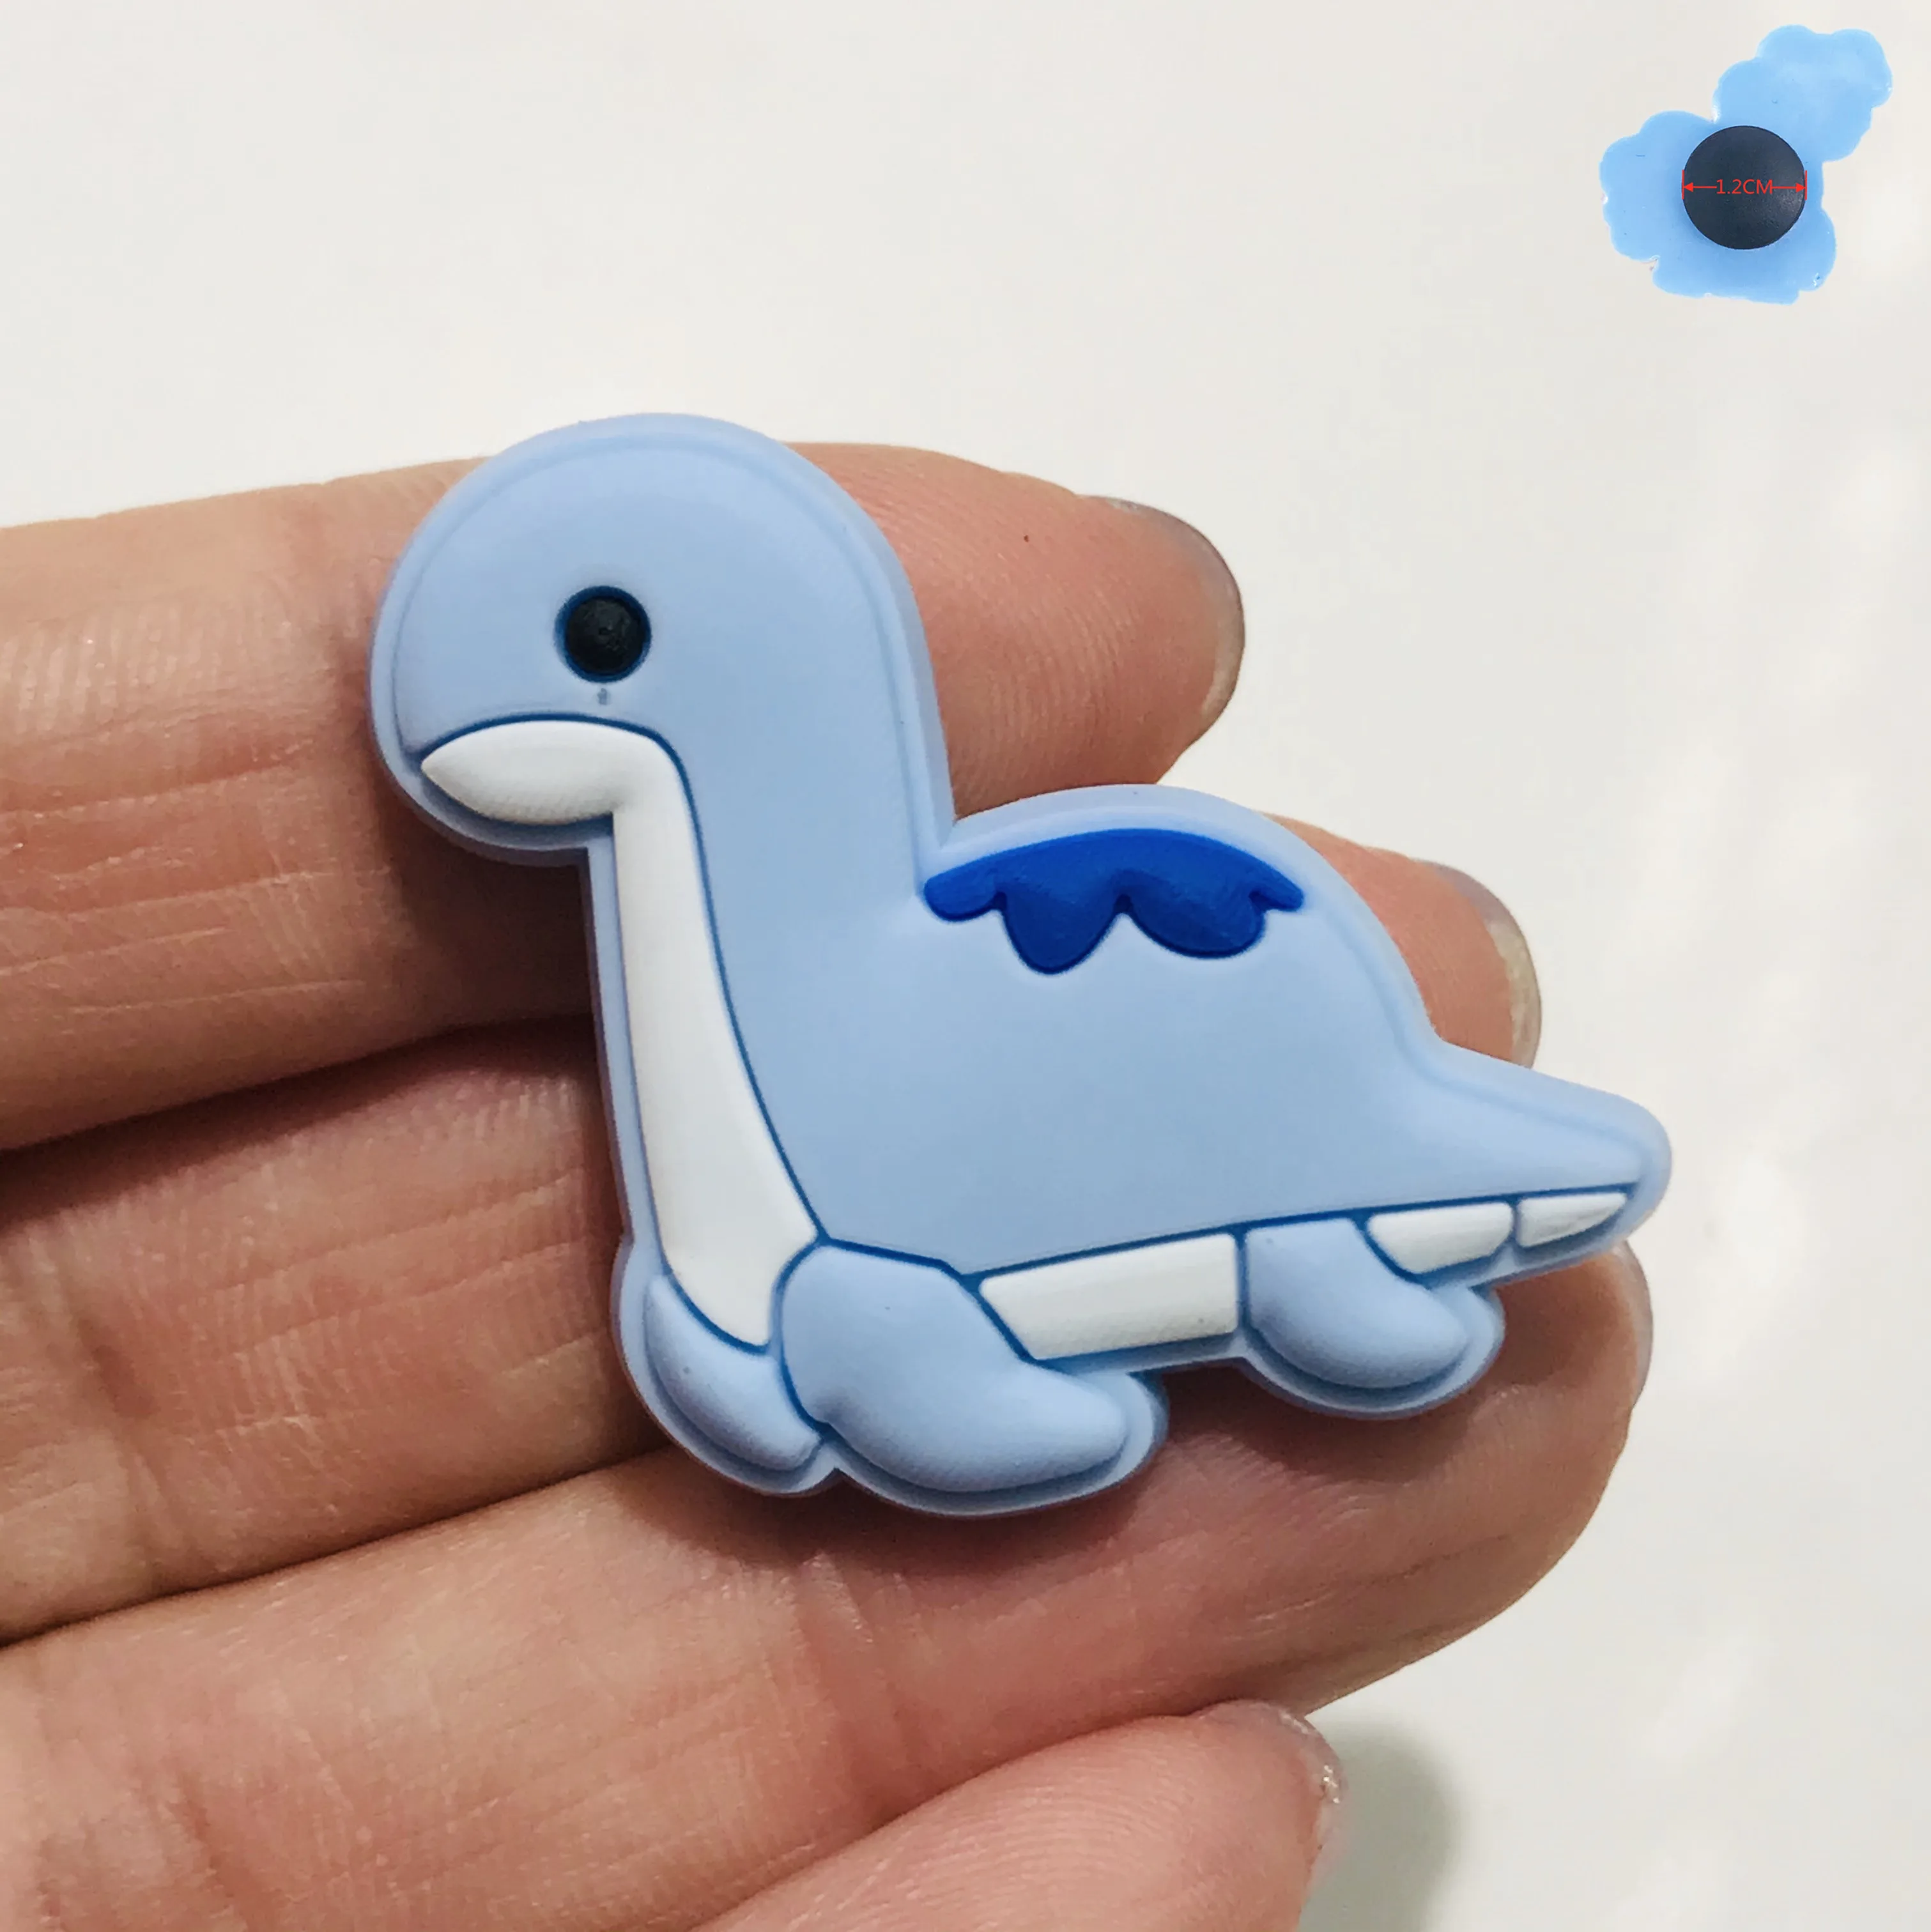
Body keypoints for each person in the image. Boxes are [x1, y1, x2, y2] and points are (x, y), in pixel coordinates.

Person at [0, 441, 1649, 1929]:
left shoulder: (823, 1181)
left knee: (885, 1319)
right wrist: (764, 1352)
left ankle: (1311, 1257)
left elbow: (850, 1317)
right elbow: (739, 1335)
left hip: (1224, 1049)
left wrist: (846, 1353)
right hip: (933, 1203)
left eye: (596, 644)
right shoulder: (755, 1173)